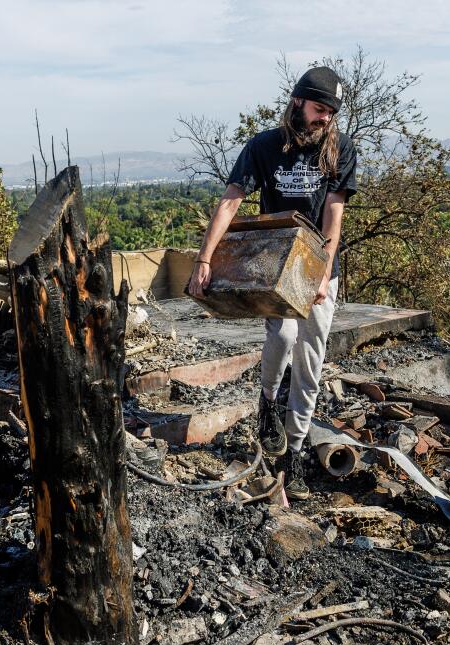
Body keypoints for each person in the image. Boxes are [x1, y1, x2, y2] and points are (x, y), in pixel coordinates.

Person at [186, 66, 357, 500]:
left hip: (319, 269)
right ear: (298, 102)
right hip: (275, 269)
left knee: (310, 363)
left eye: (332, 113)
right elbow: (230, 202)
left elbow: (333, 214)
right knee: (281, 335)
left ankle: (294, 456)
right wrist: (205, 259)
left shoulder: (340, 147)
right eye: (320, 109)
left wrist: (321, 273)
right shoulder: (264, 146)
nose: (326, 119)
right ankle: (267, 402)